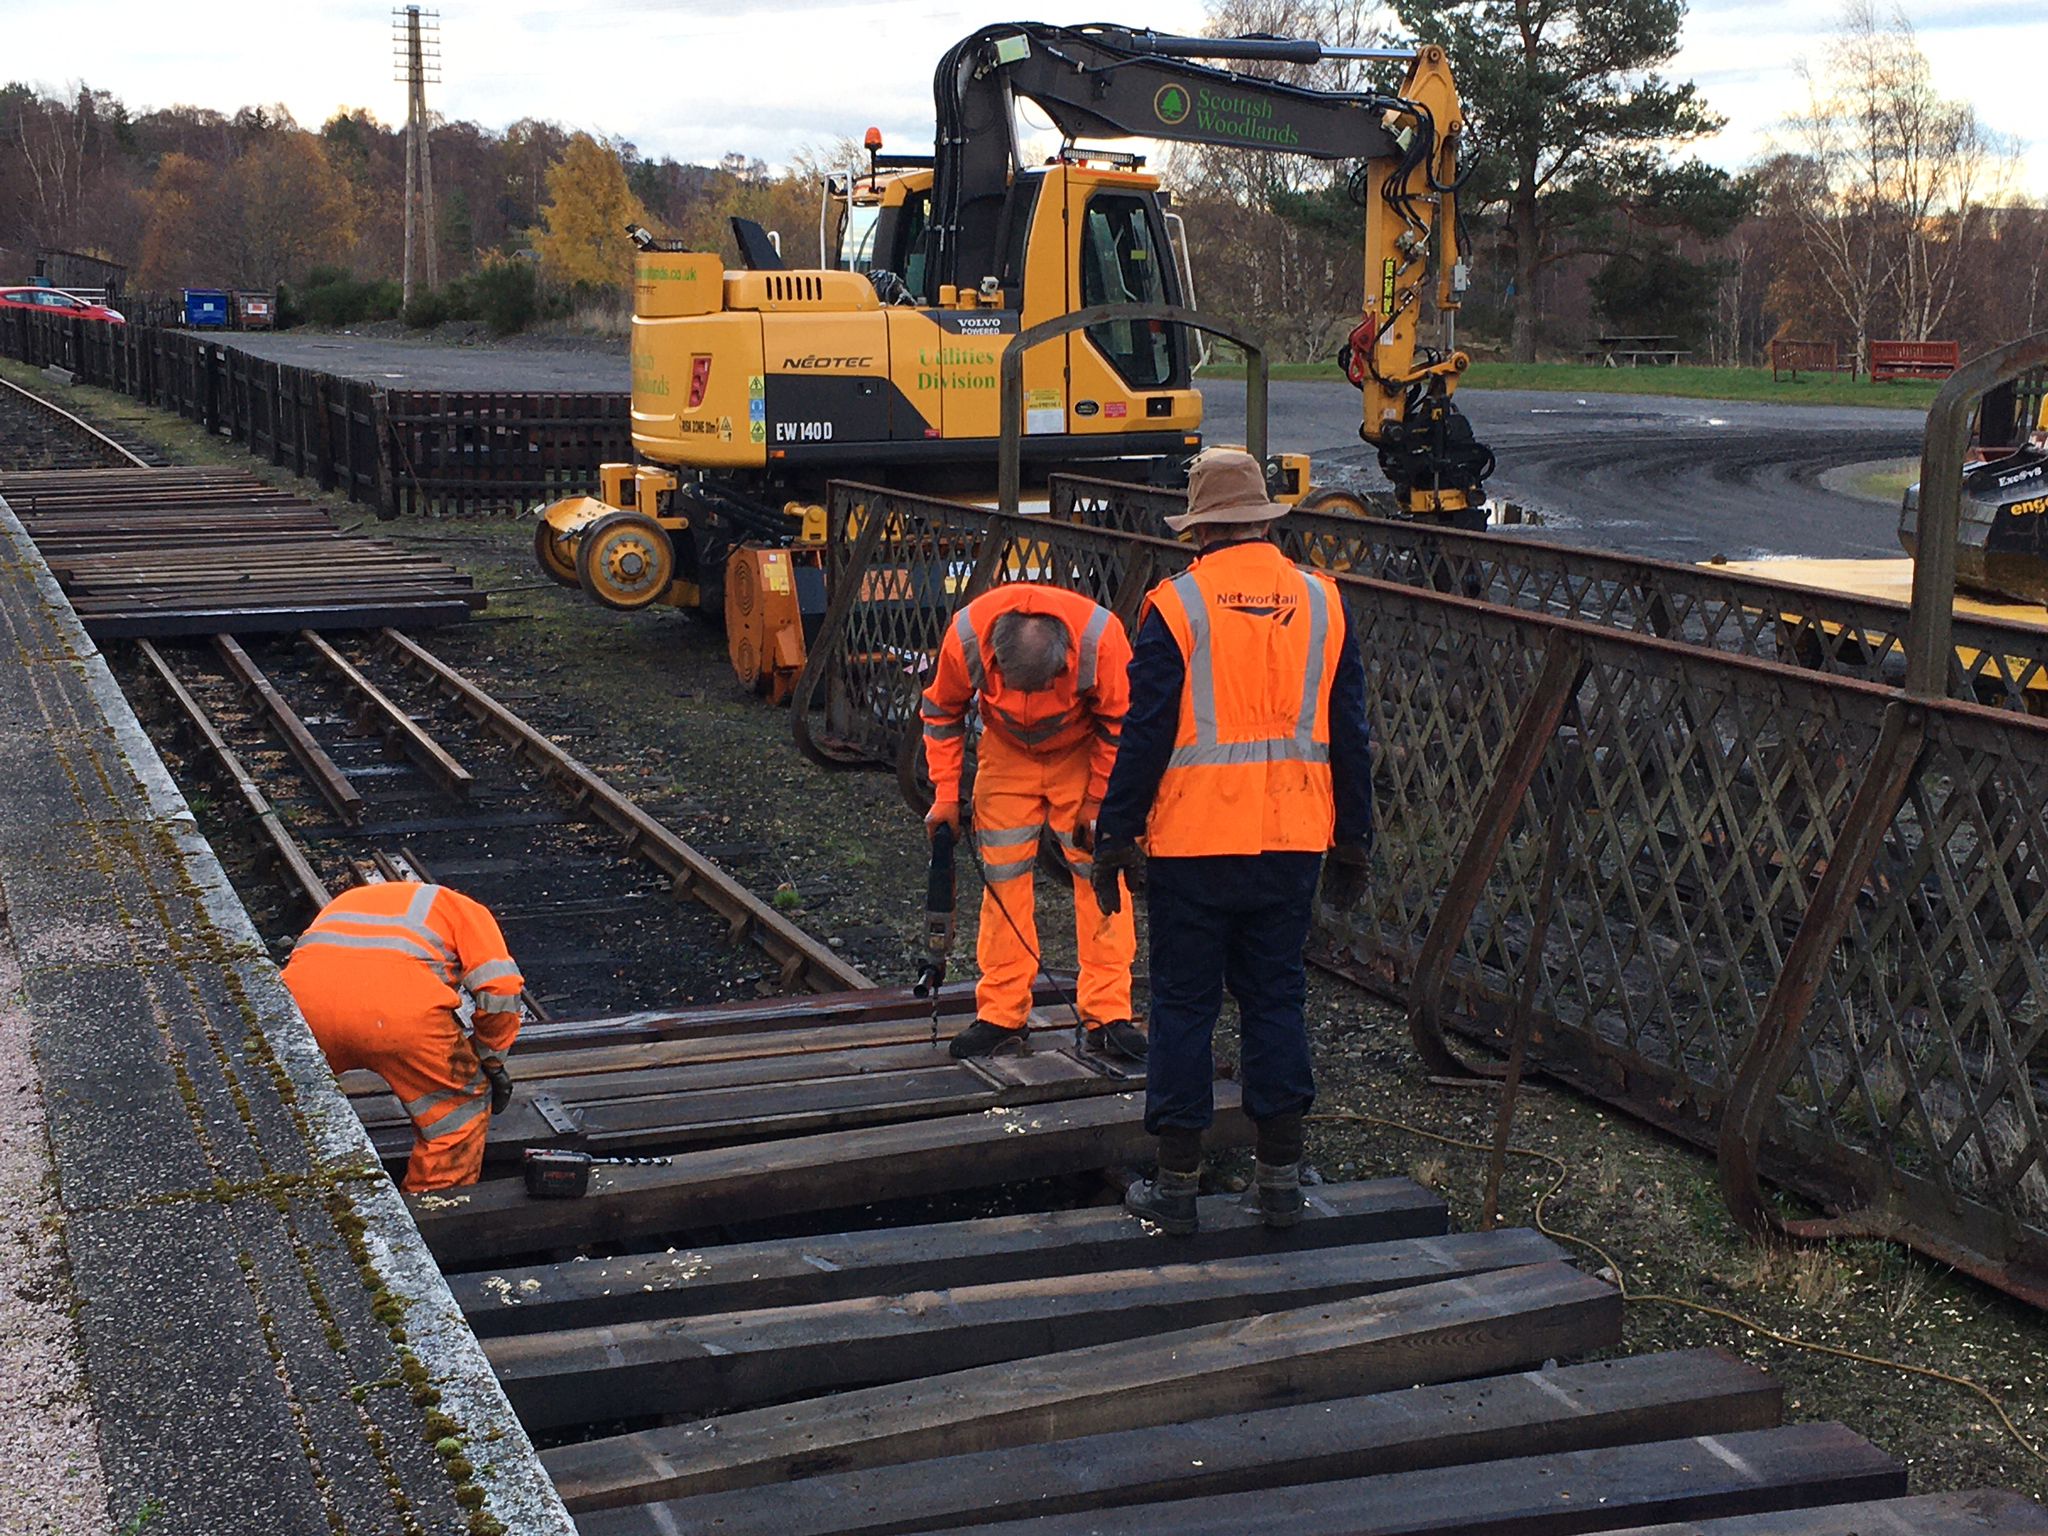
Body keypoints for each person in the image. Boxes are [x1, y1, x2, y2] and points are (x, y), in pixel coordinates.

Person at [1093, 448, 1374, 1234]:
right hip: (1292, 838)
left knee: (1184, 1007)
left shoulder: (1177, 605)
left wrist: (1115, 833)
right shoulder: (1323, 601)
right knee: (1276, 997)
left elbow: (1145, 734)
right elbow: (1351, 734)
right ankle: (1278, 1180)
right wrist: (1354, 839)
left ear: (1198, 529)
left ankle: (1177, 1187)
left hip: (1194, 844)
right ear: (1263, 521)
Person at [921, 581, 1147, 1061]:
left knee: (1101, 878)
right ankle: (1002, 1015)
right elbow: (942, 711)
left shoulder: (1102, 640)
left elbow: (1120, 725)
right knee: (1003, 882)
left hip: (1082, 755)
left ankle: (1109, 1014)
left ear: (1065, 661)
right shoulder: (966, 637)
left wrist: (1097, 802)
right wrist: (945, 794)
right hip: (1005, 756)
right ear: (994, 660)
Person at [281, 881, 525, 1192]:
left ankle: (291, 1187)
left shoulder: (351, 899)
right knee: (458, 1110)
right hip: (401, 1020)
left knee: (290, 1099)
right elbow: (501, 988)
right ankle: (433, 1203)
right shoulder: (464, 910)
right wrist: (489, 1060)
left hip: (304, 1009)